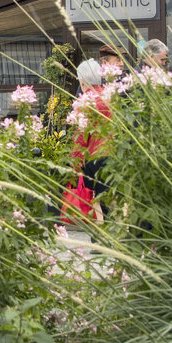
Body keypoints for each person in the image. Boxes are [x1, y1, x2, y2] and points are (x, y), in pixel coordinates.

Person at [62, 58, 111, 224]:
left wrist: (74, 164)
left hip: (94, 156)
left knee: (95, 199)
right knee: (111, 198)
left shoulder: (86, 102)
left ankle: (100, 238)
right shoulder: (110, 96)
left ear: (82, 82)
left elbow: (81, 137)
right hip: (114, 154)